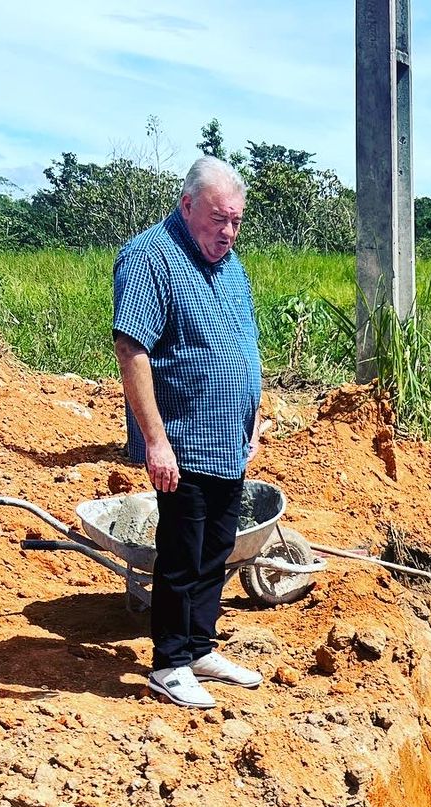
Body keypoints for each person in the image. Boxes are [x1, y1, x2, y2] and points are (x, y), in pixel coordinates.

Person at [113, 155, 264, 709]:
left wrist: (255, 408)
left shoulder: (230, 265)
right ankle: (170, 662)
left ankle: (200, 646)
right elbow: (132, 348)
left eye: (236, 221)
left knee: (218, 546)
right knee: (184, 550)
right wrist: (155, 440)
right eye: (218, 219)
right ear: (187, 206)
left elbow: (244, 342)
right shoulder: (150, 256)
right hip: (184, 438)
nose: (227, 232)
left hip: (231, 438)